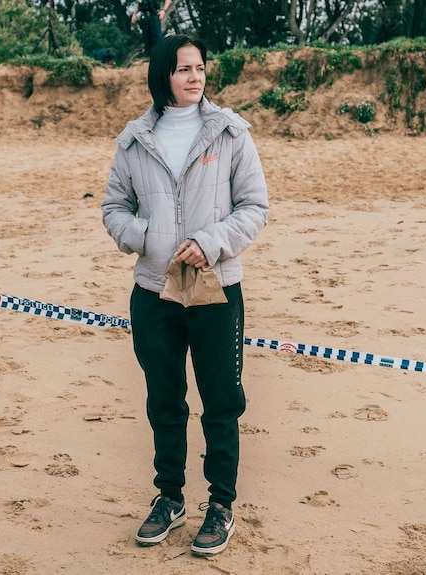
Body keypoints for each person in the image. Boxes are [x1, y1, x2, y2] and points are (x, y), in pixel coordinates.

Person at [101, 34, 269, 556]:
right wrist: (148, 239)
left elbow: (254, 207)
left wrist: (210, 242)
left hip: (216, 289)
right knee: (164, 400)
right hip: (154, 291)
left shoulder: (230, 132)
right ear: (162, 76)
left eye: (199, 67)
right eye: (182, 69)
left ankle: (220, 505)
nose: (194, 77)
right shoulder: (133, 141)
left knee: (221, 402)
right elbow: (113, 209)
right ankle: (169, 498)